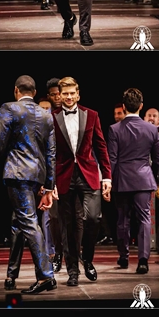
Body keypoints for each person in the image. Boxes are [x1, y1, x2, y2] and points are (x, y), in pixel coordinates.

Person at [0, 76, 56, 295]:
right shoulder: (46, 114)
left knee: (28, 222)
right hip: (37, 175)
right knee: (18, 221)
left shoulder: (9, 108)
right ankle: (12, 274)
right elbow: (51, 153)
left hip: (18, 173)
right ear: (35, 92)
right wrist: (49, 187)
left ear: (16, 90)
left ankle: (46, 276)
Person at [51, 72, 110, 287]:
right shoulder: (52, 117)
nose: (68, 97)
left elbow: (101, 147)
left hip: (88, 173)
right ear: (60, 95)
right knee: (67, 227)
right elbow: (50, 152)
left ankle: (88, 259)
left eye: (72, 93)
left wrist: (107, 176)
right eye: (65, 94)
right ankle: (73, 271)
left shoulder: (91, 115)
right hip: (63, 175)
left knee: (93, 218)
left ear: (78, 94)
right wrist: (50, 183)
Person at [107, 88, 159, 277]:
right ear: (141, 106)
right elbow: (157, 159)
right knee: (144, 218)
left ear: (123, 106)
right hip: (143, 177)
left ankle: (124, 256)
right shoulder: (152, 129)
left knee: (123, 219)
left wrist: (109, 180)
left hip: (122, 178)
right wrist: (151, 175)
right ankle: (143, 260)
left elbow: (112, 159)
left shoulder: (114, 129)